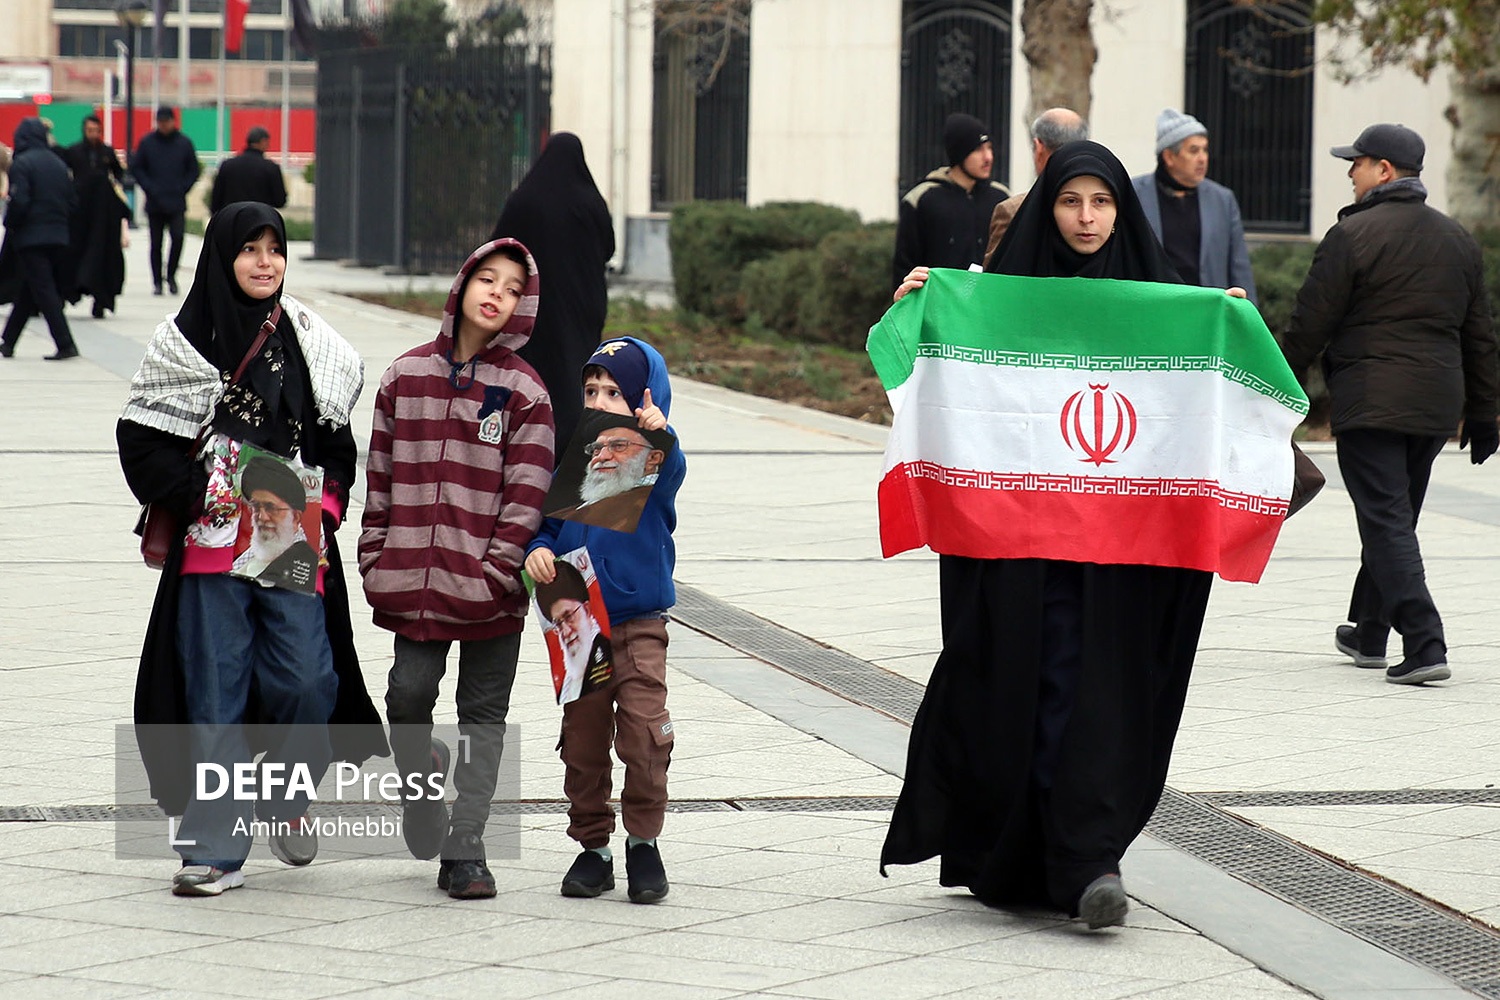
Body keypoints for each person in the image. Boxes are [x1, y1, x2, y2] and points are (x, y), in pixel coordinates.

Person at [883, 141, 1253, 930]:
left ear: (1123, 210)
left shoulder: (1164, 301)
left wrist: (1223, 328)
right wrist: (915, 308)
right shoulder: (1001, 297)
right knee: (1028, 686)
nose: (1087, 218)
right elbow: (918, 377)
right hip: (1020, 551)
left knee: (1105, 695)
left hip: (1123, 555)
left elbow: (1218, 401)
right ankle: (1033, 854)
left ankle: (1089, 858)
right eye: (1070, 201)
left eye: (1103, 202)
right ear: (1047, 207)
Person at [116, 202, 386, 896]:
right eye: (249, 249)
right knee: (216, 692)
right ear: (221, 255)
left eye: (275, 248)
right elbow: (140, 442)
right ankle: (213, 849)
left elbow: (336, 444)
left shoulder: (312, 342)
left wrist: (325, 506)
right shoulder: (182, 342)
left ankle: (286, 796)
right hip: (210, 546)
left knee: (308, 681)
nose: (265, 262)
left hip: (287, 538)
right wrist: (201, 493)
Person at [359, 237, 554, 899]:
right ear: (464, 282)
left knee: (482, 715)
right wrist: (376, 556)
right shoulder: (404, 377)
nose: (497, 294)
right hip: (414, 583)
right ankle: (421, 798)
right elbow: (379, 478)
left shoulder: (525, 392)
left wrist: (496, 572)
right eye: (488, 279)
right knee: (408, 694)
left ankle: (466, 847)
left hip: (493, 591)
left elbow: (528, 495)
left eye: (513, 288)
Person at [1281, 124, 1499, 686]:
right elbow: (1479, 336)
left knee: (1385, 523)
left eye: (1356, 163)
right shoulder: (1457, 239)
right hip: (1434, 406)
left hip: (1372, 400)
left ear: (1382, 170)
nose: (1350, 173)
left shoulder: (1352, 235)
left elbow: (1309, 325)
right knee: (1394, 518)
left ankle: (1425, 643)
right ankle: (1370, 631)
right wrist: (1484, 412)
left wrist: (1272, 389)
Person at [523, 336, 684, 904]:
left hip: (639, 624)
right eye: (591, 390)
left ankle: (644, 841)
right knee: (583, 742)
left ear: (643, 398)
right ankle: (593, 846)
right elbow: (548, 528)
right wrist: (538, 552)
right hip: (581, 626)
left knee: (645, 736)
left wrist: (659, 433)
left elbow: (672, 474)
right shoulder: (580, 459)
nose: (599, 401)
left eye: (614, 392)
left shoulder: (654, 459)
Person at [489, 132, 614, 454]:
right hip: (581, 304)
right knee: (575, 367)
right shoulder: (591, 202)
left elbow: (498, 246)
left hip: (536, 305)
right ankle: (572, 438)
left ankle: (533, 432)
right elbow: (609, 248)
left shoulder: (524, 200)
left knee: (538, 367)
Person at [1132, 109, 1257, 303]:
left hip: (1208, 309)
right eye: (1193, 150)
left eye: (1205, 150)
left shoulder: (1222, 200)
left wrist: (1249, 312)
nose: (1202, 158)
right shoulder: (1135, 195)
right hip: (1154, 307)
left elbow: (1239, 266)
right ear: (1169, 157)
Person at [891, 113, 1010, 293]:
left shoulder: (1002, 198)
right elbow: (904, 269)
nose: (988, 157)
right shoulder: (922, 199)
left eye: (990, 148)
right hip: (939, 304)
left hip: (990, 303)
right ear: (959, 154)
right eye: (978, 149)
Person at [1, 117, 80, 360]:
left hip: (31, 238)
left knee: (44, 291)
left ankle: (65, 343)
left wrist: (10, 223)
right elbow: (72, 202)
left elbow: (20, 201)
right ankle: (8, 341)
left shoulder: (22, 164)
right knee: (30, 288)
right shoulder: (58, 164)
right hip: (58, 236)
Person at [983, 107, 1088, 265]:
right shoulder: (1105, 213)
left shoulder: (1014, 212)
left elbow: (994, 275)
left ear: (1038, 148)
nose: (1085, 218)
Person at [65, 115, 130, 318]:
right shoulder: (74, 151)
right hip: (79, 213)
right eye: (90, 130)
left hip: (102, 214)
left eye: (96, 131)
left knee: (103, 255)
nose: (93, 134)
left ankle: (100, 300)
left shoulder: (107, 152)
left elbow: (119, 175)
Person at [131, 106, 201, 295]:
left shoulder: (184, 143)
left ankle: (171, 275)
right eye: (160, 122)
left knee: (177, 238)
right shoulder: (147, 143)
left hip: (176, 201)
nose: (163, 125)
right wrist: (149, 187)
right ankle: (157, 281)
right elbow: (137, 168)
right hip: (155, 201)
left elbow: (193, 170)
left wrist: (183, 187)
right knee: (156, 244)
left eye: (166, 121)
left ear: (173, 121)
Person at [552, 422, 668, 532]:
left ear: (653, 458)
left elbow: (673, 470)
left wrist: (661, 427)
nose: (602, 456)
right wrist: (543, 543)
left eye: (618, 446)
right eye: (597, 449)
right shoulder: (576, 509)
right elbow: (551, 530)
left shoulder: (656, 495)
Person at [231, 456, 318, 586]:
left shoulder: (302, 563)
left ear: (295, 517)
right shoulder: (249, 555)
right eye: (256, 507)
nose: (262, 517)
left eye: (270, 508)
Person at [536, 561, 611, 705]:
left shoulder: (604, 649)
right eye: (558, 623)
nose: (566, 631)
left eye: (569, 617)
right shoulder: (569, 681)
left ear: (586, 610)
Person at [211, 126, 288, 215]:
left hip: (232, 217)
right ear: (263, 141)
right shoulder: (271, 168)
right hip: (260, 218)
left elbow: (216, 199)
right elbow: (280, 201)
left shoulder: (227, 165)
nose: (268, 145)